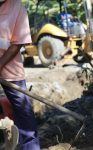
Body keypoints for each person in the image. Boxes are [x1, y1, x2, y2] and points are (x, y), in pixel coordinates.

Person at [0, 0, 40, 149]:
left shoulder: (17, 7)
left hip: (10, 67)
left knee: (23, 111)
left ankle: (31, 146)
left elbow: (18, 43)